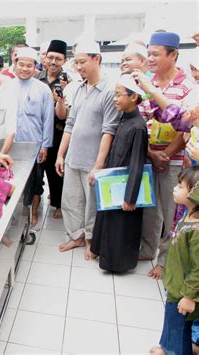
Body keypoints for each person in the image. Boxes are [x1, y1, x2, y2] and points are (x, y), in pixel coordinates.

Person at [136, 32, 196, 279]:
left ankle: (164, 258)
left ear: (174, 55)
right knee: (149, 208)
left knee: (173, 211)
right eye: (148, 53)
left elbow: (184, 125)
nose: (150, 59)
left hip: (176, 161)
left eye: (155, 54)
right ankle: (147, 248)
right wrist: (150, 152)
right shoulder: (145, 83)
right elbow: (140, 118)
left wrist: (167, 154)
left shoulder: (188, 86)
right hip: (148, 156)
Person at [55, 40, 120, 260]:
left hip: (93, 160)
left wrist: (98, 165)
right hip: (73, 157)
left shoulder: (110, 91)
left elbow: (108, 131)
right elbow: (70, 124)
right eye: (76, 63)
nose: (79, 67)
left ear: (97, 59)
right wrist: (61, 154)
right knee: (71, 200)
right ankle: (77, 236)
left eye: (82, 62)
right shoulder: (79, 88)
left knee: (92, 205)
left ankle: (91, 240)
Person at [91, 75, 148, 272]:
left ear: (133, 97)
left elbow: (136, 163)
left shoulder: (138, 127)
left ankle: (118, 264)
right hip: (114, 182)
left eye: (118, 95)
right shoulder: (124, 119)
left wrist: (130, 197)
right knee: (110, 222)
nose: (115, 99)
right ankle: (105, 257)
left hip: (125, 187)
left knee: (122, 227)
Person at [149, 167, 199, 355]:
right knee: (172, 323)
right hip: (176, 287)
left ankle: (173, 351)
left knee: (178, 328)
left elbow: (198, 269)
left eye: (180, 186)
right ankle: (167, 347)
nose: (175, 189)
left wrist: (189, 296)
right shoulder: (187, 216)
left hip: (183, 293)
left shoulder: (196, 230)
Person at [7, 46, 54, 227]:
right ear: (15, 64)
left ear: (36, 67)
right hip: (12, 145)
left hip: (35, 146)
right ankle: (20, 210)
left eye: (29, 65)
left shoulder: (43, 90)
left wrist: (45, 145)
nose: (25, 69)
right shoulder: (7, 87)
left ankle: (34, 212)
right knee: (14, 179)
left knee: (36, 181)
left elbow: (48, 120)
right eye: (21, 64)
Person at [34, 40, 70, 219]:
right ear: (45, 58)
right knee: (39, 167)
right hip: (38, 130)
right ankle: (35, 200)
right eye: (50, 57)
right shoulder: (36, 78)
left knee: (56, 170)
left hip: (58, 132)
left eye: (58, 58)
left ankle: (58, 204)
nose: (53, 62)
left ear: (64, 60)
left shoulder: (67, 81)